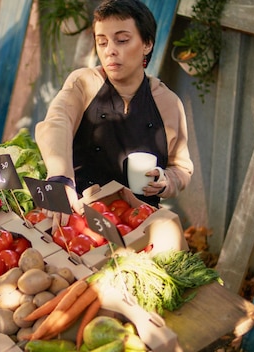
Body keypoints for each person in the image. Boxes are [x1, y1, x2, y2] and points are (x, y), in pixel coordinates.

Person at [35, 0, 193, 219]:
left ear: (147, 44)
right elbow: (56, 123)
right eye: (102, 42)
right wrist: (60, 178)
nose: (110, 50)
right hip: (79, 214)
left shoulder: (168, 103)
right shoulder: (84, 83)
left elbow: (181, 168)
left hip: (138, 222)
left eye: (122, 40)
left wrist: (166, 180)